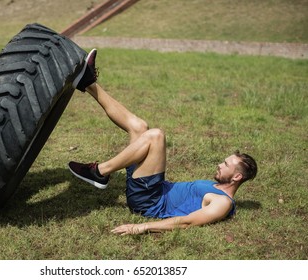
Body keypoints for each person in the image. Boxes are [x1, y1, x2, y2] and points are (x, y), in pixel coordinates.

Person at [69, 49, 258, 235]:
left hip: (150, 201)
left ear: (237, 177)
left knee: (156, 135)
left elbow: (187, 222)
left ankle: (100, 172)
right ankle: (89, 83)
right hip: (153, 188)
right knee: (139, 126)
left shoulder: (223, 203)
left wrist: (142, 227)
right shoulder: (216, 187)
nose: (219, 164)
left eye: (225, 164)